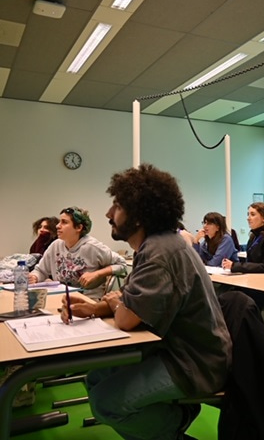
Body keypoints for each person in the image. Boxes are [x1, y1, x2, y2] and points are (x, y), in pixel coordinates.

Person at [61, 164, 231, 439]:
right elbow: (128, 302)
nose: (108, 213)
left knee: (106, 403)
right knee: (96, 378)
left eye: (117, 205)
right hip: (176, 351)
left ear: (139, 216)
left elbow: (127, 317)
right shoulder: (157, 245)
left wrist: (116, 304)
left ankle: (176, 423)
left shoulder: (159, 252)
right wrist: (96, 308)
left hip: (192, 364)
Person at [29, 207, 127, 300]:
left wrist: (97, 274)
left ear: (79, 227)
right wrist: (34, 277)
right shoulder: (55, 246)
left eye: (64, 222)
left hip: (89, 300)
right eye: (59, 222)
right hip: (61, 297)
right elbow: (41, 270)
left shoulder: (93, 247)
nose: (57, 226)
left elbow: (122, 265)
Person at [222, 202, 264, 308]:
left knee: (233, 299)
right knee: (225, 294)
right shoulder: (254, 236)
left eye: (252, 214)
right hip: (255, 283)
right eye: (248, 214)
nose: (248, 218)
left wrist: (236, 266)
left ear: (263, 218)